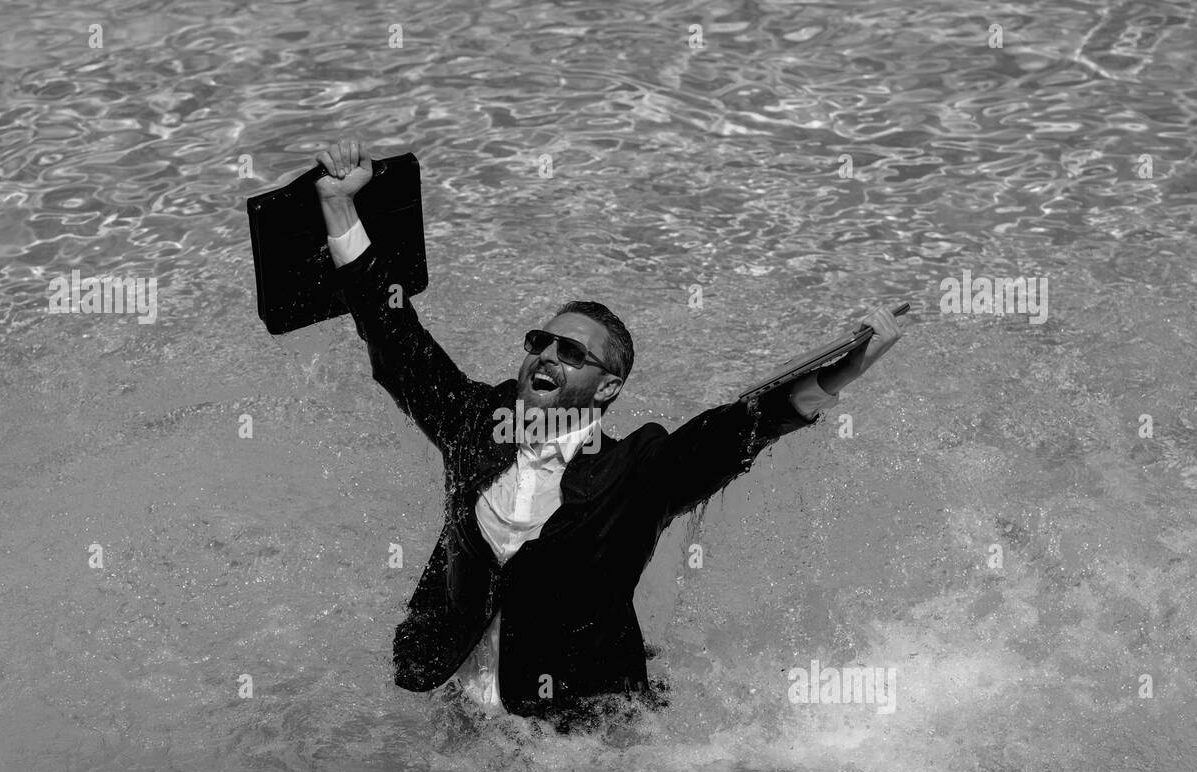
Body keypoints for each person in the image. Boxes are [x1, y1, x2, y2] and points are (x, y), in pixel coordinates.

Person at [314, 140, 904, 724]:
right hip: (448, 697)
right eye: (539, 342)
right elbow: (399, 347)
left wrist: (844, 370)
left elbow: (737, 429)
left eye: (570, 351)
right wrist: (341, 210)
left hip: (571, 734)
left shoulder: (637, 471)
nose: (546, 354)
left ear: (607, 387)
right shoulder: (477, 424)